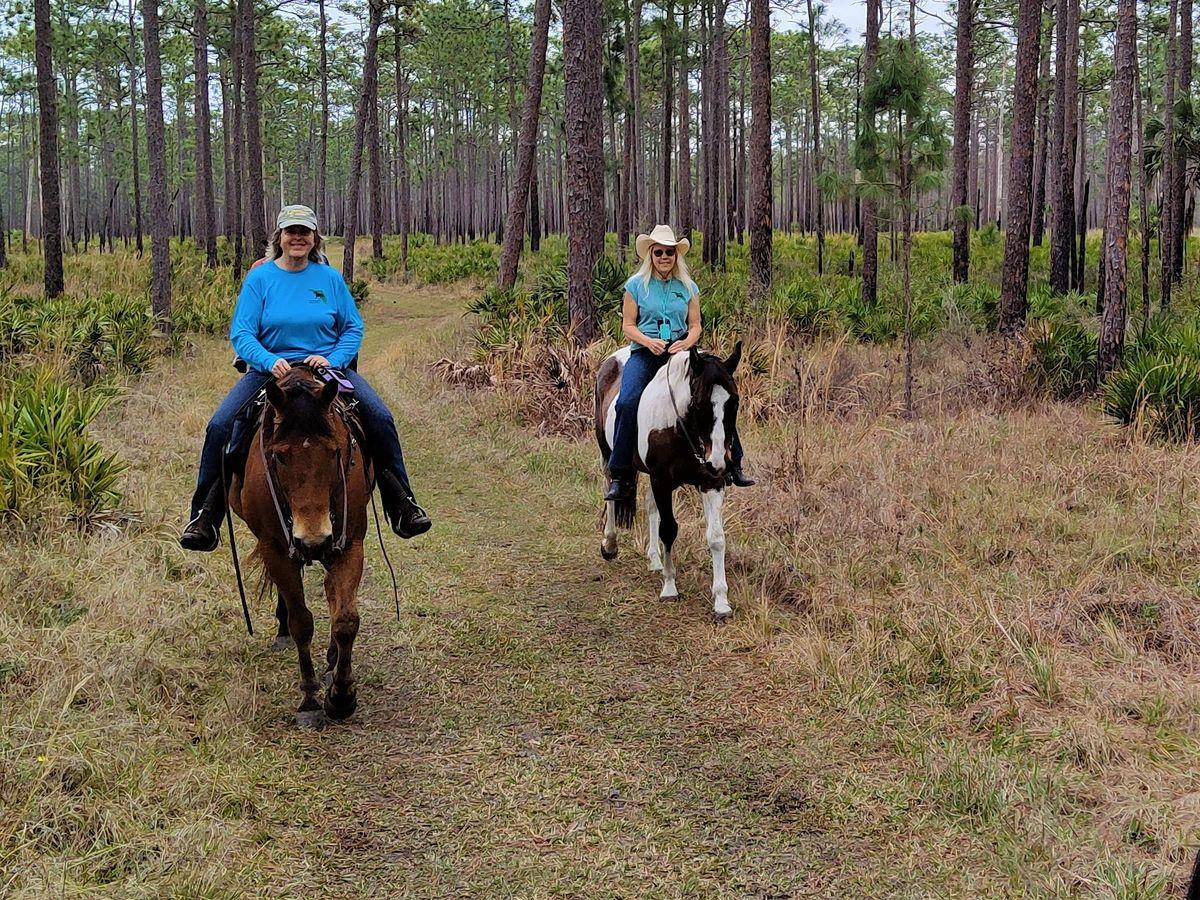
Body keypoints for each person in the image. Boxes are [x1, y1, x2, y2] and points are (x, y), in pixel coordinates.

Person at [180, 204, 431, 551]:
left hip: (328, 371)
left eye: (304, 231)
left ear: (314, 238)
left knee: (379, 417)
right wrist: (269, 360)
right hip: (271, 374)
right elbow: (242, 332)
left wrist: (332, 360)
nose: (297, 237)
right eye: (291, 231)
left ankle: (401, 502)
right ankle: (206, 515)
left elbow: (353, 327)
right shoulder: (260, 279)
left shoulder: (329, 278)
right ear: (279, 237)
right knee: (222, 426)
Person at [604, 224, 754, 501]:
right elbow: (628, 325)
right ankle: (620, 473)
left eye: (669, 252)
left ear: (676, 255)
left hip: (681, 352)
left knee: (718, 394)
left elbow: (696, 325)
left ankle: (734, 462)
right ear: (650, 254)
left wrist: (687, 342)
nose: (664, 257)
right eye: (659, 252)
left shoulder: (687, 287)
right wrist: (648, 342)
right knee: (627, 401)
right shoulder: (635, 286)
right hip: (646, 353)